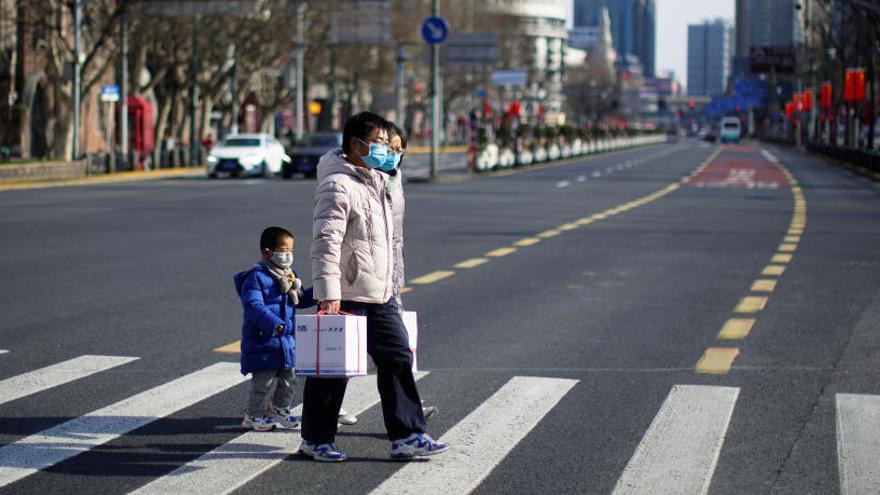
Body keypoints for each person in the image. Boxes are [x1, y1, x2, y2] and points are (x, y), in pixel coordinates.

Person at [298, 111, 448, 462]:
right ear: (356, 144)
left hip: (380, 294)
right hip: (347, 293)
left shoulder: (377, 180)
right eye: (379, 143)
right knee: (333, 371)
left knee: (398, 357)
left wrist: (393, 285)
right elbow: (325, 241)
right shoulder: (337, 185)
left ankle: (408, 435)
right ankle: (315, 439)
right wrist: (328, 291)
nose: (385, 149)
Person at [234, 226, 315, 431]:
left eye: (291, 251)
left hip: (286, 340)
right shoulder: (255, 277)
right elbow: (253, 305)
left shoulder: (289, 276)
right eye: (284, 250)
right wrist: (274, 324)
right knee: (263, 383)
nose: (288, 255)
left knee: (289, 378)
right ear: (267, 252)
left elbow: (299, 298)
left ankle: (280, 409)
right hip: (264, 339)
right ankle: (253, 416)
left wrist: (322, 293)